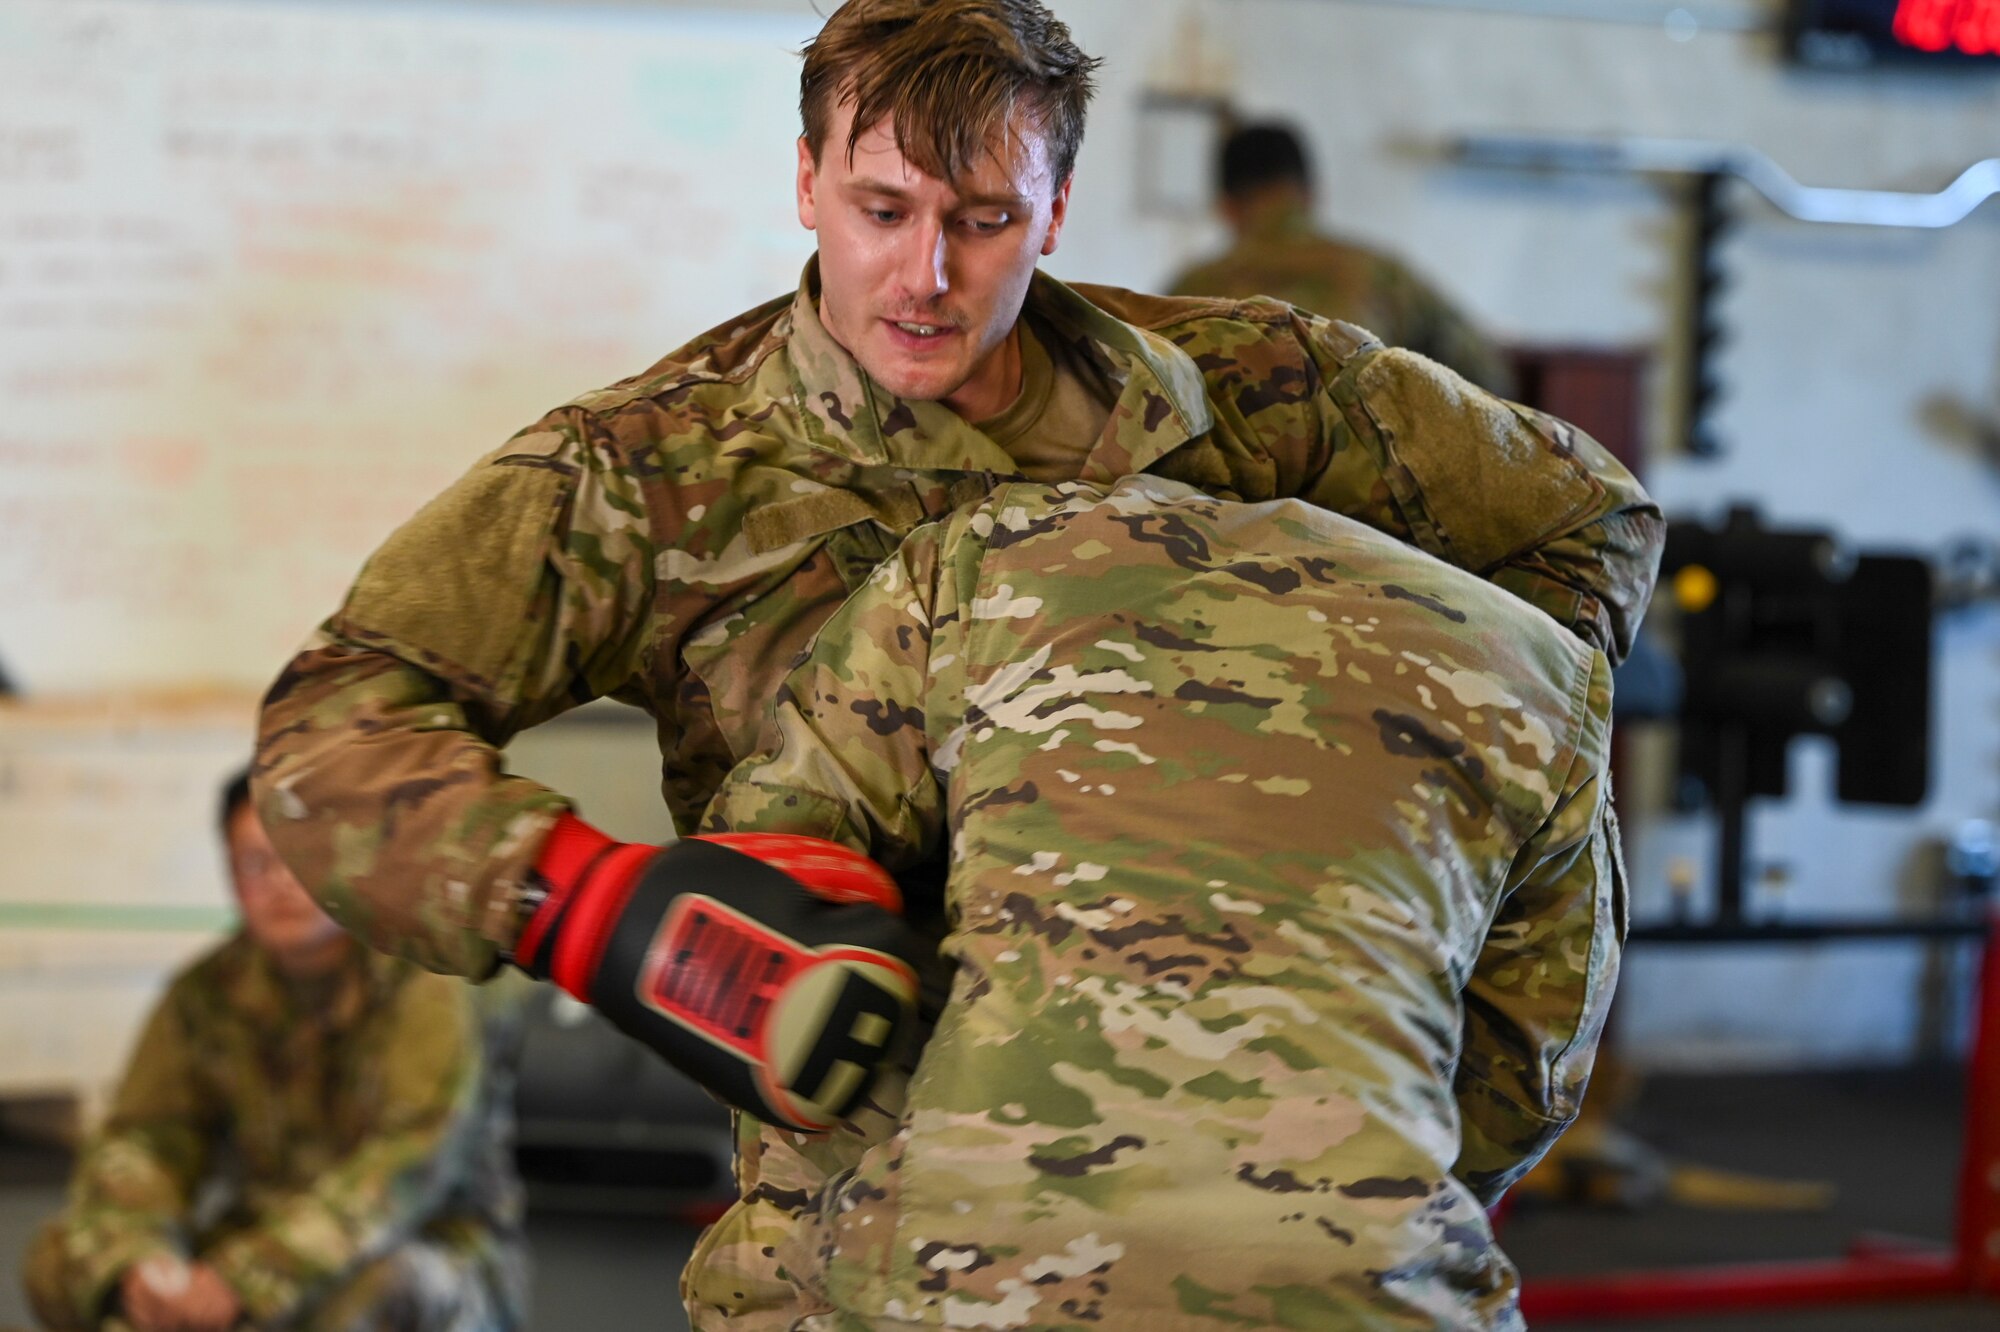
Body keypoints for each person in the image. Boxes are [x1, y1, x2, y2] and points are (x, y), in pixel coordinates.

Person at [250, 0, 1663, 1324]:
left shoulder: (1260, 402)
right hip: (864, 1233)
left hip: (1281, 1207)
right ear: (806, 183)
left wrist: (1440, 873)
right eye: (882, 211)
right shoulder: (655, 475)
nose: (925, 275)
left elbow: (1580, 534)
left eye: (983, 220)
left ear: (1055, 208)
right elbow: (334, 725)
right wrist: (583, 901)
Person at [682, 472, 1626, 1328]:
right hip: (1368, 1286)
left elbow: (770, 894)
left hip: (963, 1271)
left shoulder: (985, 554)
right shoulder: (1543, 667)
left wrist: (832, 1235)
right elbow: (1529, 1072)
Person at [21, 772, 528, 1332]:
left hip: (417, 1249)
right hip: (256, 1247)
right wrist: (144, 1259)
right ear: (231, 876)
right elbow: (146, 1138)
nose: (282, 883)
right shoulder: (208, 990)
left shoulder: (424, 981)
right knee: (64, 1258)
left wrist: (248, 1278)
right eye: (256, 864)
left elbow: (405, 1170)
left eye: (301, 858)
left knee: (386, 1291)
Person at [1169, 121, 1516, 395]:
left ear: (1225, 207)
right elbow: (1486, 374)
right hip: (1366, 481)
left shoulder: (1187, 292)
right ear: (1311, 195)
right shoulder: (1381, 273)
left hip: (1226, 484)